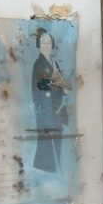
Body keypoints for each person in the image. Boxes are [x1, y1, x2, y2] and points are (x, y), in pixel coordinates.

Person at [30, 27, 70, 174]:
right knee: (47, 139)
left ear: (52, 44)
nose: (46, 46)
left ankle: (54, 169)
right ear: (38, 45)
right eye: (43, 43)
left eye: (48, 43)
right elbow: (40, 86)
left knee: (57, 138)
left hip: (56, 106)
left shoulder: (54, 63)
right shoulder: (39, 64)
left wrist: (63, 88)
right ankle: (46, 170)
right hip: (45, 106)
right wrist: (57, 85)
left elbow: (58, 82)